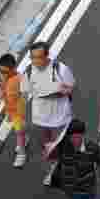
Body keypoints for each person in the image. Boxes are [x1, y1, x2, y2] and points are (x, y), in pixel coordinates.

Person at [18, 40, 75, 169]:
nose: (34, 61)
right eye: (32, 57)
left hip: (60, 117)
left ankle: (63, 167)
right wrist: (20, 117)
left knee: (61, 145)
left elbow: (71, 87)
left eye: (38, 57)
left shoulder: (61, 69)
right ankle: (53, 168)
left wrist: (59, 92)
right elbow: (24, 95)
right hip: (41, 118)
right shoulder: (28, 72)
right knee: (47, 146)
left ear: (47, 56)